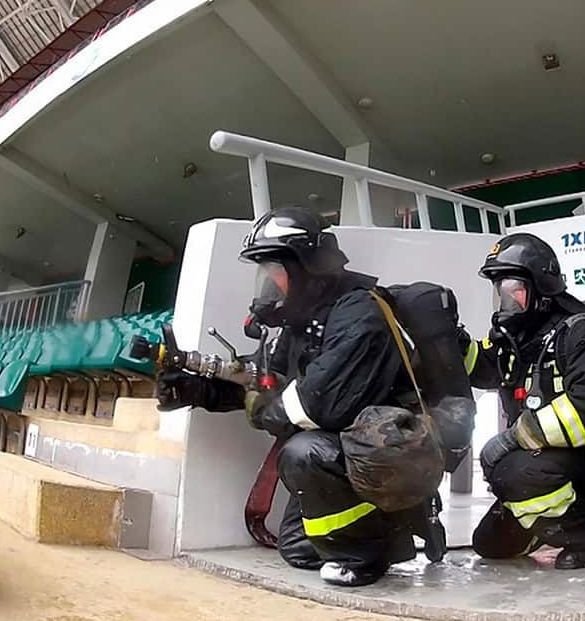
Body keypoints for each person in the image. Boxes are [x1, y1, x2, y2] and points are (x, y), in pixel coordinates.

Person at [156, 207, 446, 588]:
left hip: (393, 456)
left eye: (274, 272)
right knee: (296, 548)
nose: (268, 285)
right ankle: (384, 532)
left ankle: (369, 553)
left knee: (302, 450)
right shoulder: (301, 323)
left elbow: (312, 405)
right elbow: (267, 383)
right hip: (350, 453)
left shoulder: (360, 314)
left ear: (307, 269)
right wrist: (199, 390)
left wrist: (262, 408)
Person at [461, 233, 585, 569]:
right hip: (534, 460)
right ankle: (541, 523)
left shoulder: (579, 332)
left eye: (512, 289)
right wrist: (453, 343)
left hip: (583, 462)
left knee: (514, 474)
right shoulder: (517, 337)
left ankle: (582, 530)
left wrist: (513, 437)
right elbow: (486, 369)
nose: (505, 301)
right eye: (499, 291)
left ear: (541, 288)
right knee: (489, 544)